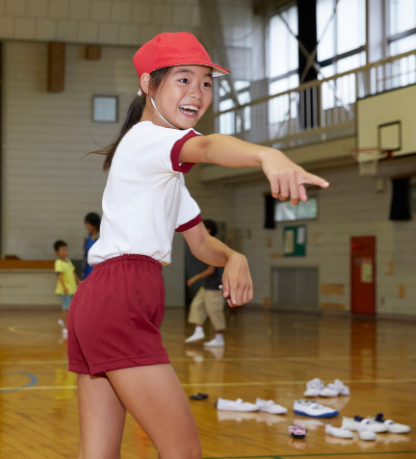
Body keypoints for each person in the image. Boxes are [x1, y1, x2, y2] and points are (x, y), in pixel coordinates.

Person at [67, 32, 329, 458]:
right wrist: (266, 155)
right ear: (148, 84)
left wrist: (233, 256)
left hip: (102, 297)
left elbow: (201, 241)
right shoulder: (148, 138)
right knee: (183, 451)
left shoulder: (165, 171)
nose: (197, 92)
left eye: (206, 82)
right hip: (121, 295)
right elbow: (206, 145)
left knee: (98, 453)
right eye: (183, 79)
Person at [185, 219, 226, 347]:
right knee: (197, 305)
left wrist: (194, 278)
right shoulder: (206, 244)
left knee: (215, 311)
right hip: (207, 285)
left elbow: (211, 269)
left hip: (215, 286)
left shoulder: (213, 245)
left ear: (208, 230)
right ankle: (198, 331)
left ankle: (219, 338)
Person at [54, 240, 78, 338]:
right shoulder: (58, 262)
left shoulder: (68, 261)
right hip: (65, 290)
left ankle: (65, 322)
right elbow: (59, 275)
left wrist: (80, 283)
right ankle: (66, 328)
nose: (65, 252)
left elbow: (73, 273)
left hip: (72, 289)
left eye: (66, 250)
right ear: (57, 252)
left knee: (72, 308)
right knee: (66, 307)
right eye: (63, 250)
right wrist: (64, 287)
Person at [82, 212, 100, 279]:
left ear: (95, 224)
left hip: (97, 268)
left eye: (88, 223)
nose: (87, 225)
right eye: (86, 223)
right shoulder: (87, 237)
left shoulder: (101, 238)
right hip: (87, 268)